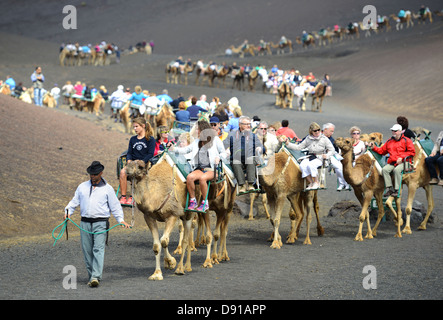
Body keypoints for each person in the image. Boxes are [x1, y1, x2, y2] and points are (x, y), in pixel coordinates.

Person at [64, 161, 131, 287]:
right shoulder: (82, 187)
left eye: (95, 174)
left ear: (101, 173)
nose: (92, 176)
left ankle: (95, 276)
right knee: (87, 251)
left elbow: (115, 206)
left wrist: (120, 220)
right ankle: (91, 276)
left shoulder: (108, 189)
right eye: (91, 174)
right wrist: (68, 212)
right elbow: (74, 202)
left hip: (101, 223)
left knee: (98, 249)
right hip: (84, 223)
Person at [169, 120, 227, 211]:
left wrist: (219, 157)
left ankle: (205, 203)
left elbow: (224, 153)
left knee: (203, 178)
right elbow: (186, 150)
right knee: (189, 177)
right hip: (199, 169)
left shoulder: (215, 140)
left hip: (212, 169)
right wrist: (173, 149)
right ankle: (193, 200)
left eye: (197, 129)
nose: (196, 131)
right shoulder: (197, 141)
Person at [280, 122, 335, 190]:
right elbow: (299, 147)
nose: (317, 132)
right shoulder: (308, 139)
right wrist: (288, 144)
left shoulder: (324, 138)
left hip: (320, 157)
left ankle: (316, 182)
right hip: (310, 156)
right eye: (315, 131)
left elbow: (332, 149)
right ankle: (311, 182)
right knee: (302, 166)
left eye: (318, 130)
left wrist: (327, 155)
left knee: (311, 165)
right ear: (311, 131)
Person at [369, 124, 415, 197]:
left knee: (397, 170)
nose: (393, 132)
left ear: (400, 131)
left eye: (395, 131)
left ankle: (397, 190)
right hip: (393, 162)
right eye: (392, 131)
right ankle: (389, 189)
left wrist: (402, 158)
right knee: (384, 170)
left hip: (405, 162)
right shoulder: (389, 141)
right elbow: (382, 151)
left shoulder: (407, 140)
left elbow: (412, 152)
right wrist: (374, 147)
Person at [119, 118, 156, 205]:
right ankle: (123, 196)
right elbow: (129, 152)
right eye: (134, 127)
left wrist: (142, 162)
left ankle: (133, 197)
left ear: (143, 126)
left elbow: (150, 154)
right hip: (132, 163)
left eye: (136, 126)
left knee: (134, 173)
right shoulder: (133, 139)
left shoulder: (150, 139)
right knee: (122, 172)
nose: (135, 129)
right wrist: (129, 160)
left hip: (143, 165)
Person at [224, 116, 263, 193]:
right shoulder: (232, 135)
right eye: (246, 124)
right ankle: (242, 185)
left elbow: (261, 146)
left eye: (249, 124)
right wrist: (224, 151)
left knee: (250, 160)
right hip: (236, 159)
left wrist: (260, 148)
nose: (249, 126)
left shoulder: (253, 136)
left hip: (249, 157)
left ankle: (251, 184)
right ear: (240, 125)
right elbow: (223, 145)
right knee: (236, 162)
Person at [322, 123, 350, 190]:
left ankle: (344, 183)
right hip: (318, 155)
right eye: (331, 131)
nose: (332, 133)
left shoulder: (332, 140)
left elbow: (336, 151)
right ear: (325, 129)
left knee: (340, 168)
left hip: (330, 156)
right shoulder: (316, 135)